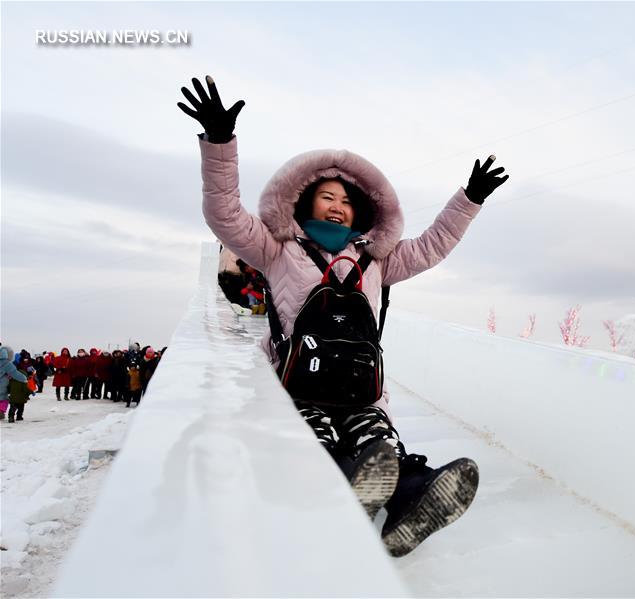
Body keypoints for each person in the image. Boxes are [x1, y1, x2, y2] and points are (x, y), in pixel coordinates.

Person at [179, 75, 508, 557]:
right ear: (307, 201)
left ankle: (409, 497)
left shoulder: (378, 260)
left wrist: (469, 199)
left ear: (362, 214)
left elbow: (434, 245)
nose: (338, 206)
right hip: (298, 379)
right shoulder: (277, 249)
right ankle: (337, 476)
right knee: (314, 432)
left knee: (376, 437)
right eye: (328, 197)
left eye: (348, 201)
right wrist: (219, 144)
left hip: (360, 381)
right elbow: (225, 215)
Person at [1, 347, 29, 419]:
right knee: (4, 399)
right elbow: (15, 373)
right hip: (2, 386)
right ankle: (1, 412)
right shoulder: (6, 363)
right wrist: (24, 379)